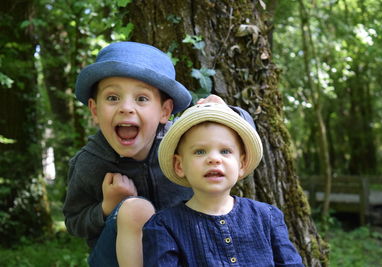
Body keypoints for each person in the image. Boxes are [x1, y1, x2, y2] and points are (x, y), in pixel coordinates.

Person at [62, 41, 253, 267]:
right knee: (134, 209)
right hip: (113, 257)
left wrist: (226, 112)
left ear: (165, 111)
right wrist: (107, 206)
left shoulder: (179, 143)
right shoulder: (89, 162)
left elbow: (240, 139)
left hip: (182, 249)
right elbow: (74, 221)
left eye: (141, 98)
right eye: (112, 98)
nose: (126, 108)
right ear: (95, 110)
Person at [142, 103, 304, 267]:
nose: (214, 159)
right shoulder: (164, 226)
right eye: (199, 151)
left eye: (225, 151)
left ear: (241, 164)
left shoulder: (267, 217)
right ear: (180, 165)